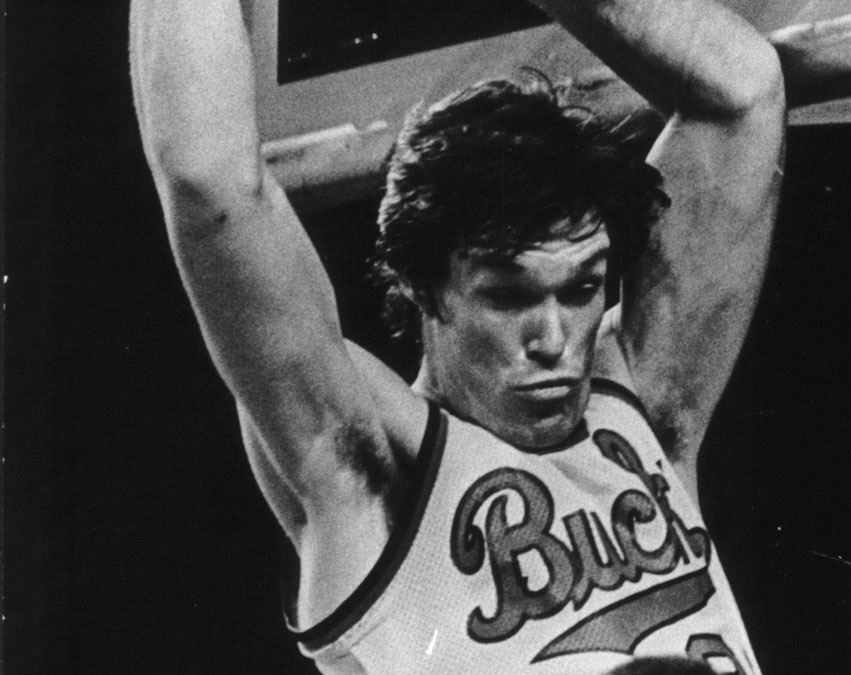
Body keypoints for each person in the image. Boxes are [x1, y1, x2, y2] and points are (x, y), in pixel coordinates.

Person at [131, 0, 784, 672]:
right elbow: (207, 181)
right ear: (421, 290)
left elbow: (742, 91)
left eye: (582, 287)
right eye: (509, 295)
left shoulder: (643, 400)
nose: (555, 338)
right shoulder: (375, 467)